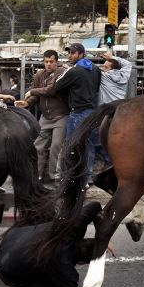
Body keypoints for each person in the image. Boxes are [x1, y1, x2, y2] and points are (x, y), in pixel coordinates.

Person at [0, 201, 102, 287]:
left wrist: (102, 235)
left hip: (11, 237)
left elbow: (96, 206)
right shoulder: (66, 270)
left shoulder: (74, 226)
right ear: (81, 262)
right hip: (6, 270)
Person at [37, 43, 101, 184]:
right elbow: (96, 88)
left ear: (81, 54)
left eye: (72, 53)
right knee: (89, 145)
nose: (69, 55)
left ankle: (69, 176)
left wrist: (67, 72)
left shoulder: (74, 70)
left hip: (77, 113)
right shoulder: (95, 69)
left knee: (70, 146)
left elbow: (57, 86)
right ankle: (87, 177)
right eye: (69, 52)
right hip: (92, 112)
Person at [16, 50, 68, 186]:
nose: (49, 64)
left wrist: (32, 92)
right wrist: (27, 103)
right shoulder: (39, 75)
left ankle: (55, 179)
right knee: (38, 147)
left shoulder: (62, 73)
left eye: (51, 61)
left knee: (57, 147)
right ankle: (36, 177)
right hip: (45, 117)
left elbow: (51, 90)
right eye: (46, 61)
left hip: (61, 116)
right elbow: (36, 96)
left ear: (57, 62)